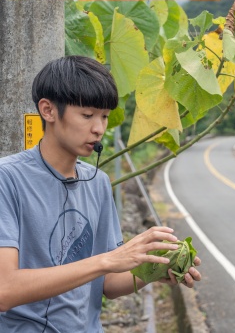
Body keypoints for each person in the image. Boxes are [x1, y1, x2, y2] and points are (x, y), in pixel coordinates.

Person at [0, 56, 201, 331]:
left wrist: (155, 267)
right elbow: (5, 290)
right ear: (48, 110)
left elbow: (107, 283)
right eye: (87, 115)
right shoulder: (7, 178)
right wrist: (106, 260)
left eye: (104, 116)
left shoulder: (98, 183)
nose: (99, 128)